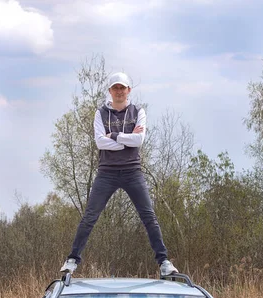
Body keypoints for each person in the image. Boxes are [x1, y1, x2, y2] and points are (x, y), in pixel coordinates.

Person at [60, 72, 178, 278]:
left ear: (128, 90)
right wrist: (126, 138)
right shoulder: (100, 114)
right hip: (107, 172)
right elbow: (100, 142)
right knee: (89, 217)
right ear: (110, 91)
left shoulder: (138, 112)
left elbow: (138, 141)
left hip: (133, 171)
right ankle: (72, 260)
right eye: (115, 88)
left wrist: (114, 135)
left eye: (122, 88)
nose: (119, 91)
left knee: (148, 216)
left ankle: (164, 262)